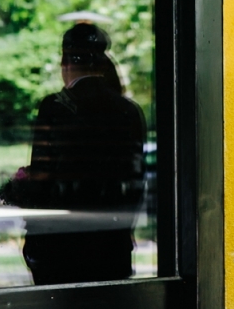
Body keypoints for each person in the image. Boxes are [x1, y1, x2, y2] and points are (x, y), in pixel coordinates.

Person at [20, 23, 146, 285]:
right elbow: (135, 182)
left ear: (65, 62)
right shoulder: (129, 111)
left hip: (60, 247)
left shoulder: (55, 107)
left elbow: (44, 177)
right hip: (112, 243)